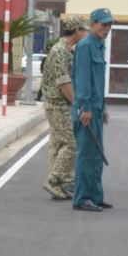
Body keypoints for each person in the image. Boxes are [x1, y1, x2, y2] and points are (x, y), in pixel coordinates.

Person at [71, 7, 114, 212]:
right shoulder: (86, 46)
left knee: (96, 155)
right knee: (86, 156)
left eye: (109, 24)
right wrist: (86, 108)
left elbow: (98, 82)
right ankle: (82, 198)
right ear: (93, 24)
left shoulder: (99, 46)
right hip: (86, 110)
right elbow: (82, 80)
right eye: (104, 24)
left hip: (96, 109)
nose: (107, 28)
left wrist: (102, 108)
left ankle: (96, 196)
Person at [40, 16, 86, 201]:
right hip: (58, 104)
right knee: (72, 143)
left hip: (58, 104)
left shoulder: (66, 49)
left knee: (58, 144)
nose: (86, 33)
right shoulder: (60, 51)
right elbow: (63, 82)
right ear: (77, 30)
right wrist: (77, 104)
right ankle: (53, 180)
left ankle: (59, 186)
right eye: (84, 29)